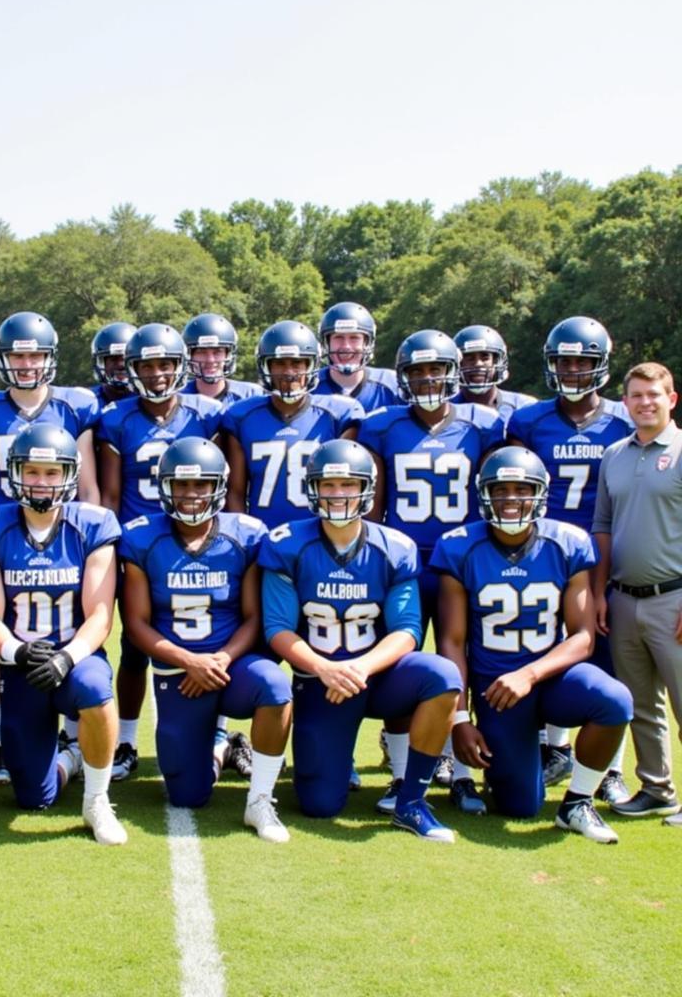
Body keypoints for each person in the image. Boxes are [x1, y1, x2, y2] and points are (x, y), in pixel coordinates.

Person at [259, 439, 462, 840]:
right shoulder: (287, 543)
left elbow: (407, 630)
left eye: (348, 484)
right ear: (312, 488)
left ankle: (412, 802)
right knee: (319, 804)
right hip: (320, 682)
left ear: (366, 488)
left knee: (441, 675)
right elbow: (277, 628)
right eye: (328, 485)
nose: (337, 495)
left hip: (376, 677)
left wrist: (359, 668)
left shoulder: (395, 547)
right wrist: (325, 668)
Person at [432, 446, 633, 842]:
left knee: (616, 701)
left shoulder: (567, 542)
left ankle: (578, 802)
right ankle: (507, 770)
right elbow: (451, 642)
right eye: (500, 490)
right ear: (484, 494)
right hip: (498, 690)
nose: (511, 500)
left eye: (521, 490)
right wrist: (459, 720)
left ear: (539, 493)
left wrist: (529, 673)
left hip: (551, 678)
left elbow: (582, 637)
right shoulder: (459, 547)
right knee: (519, 804)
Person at [358, 329, 503, 809]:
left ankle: (462, 771)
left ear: (452, 372)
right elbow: (374, 508)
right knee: (403, 666)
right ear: (402, 376)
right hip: (406, 563)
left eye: (435, 369)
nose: (427, 379)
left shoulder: (483, 424)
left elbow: (492, 500)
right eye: (417, 371)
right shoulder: (383, 426)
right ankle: (403, 775)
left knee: (469, 662)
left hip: (464, 563)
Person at [119, 438, 292, 841]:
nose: (192, 495)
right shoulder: (144, 538)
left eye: (201, 485)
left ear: (219, 486)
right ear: (165, 487)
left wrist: (219, 659)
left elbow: (253, 618)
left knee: (275, 685)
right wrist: (189, 661)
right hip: (177, 671)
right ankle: (222, 749)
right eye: (181, 486)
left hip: (232, 665)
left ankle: (261, 800)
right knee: (186, 796)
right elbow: (137, 624)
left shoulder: (244, 535)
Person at [0, 311, 101, 788]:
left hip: (61, 538)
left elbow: (88, 488)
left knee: (76, 633)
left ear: (49, 358)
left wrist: (89, 538)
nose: (26, 363)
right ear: (2, 359)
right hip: (0, 542)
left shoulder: (75, 407)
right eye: (18, 354)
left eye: (35, 354)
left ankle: (78, 741)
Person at [0, 422, 127, 845]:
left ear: (70, 475)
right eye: (32, 472)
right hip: (21, 666)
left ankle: (97, 799)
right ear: (14, 474)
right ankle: (71, 758)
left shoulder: (93, 525)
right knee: (33, 798)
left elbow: (99, 615)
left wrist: (67, 657)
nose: (41, 482)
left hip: (76, 658)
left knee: (96, 687)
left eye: (52, 472)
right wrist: (17, 652)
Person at [507, 316, 632, 795]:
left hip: (606, 554)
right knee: (538, 647)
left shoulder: (623, 419)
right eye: (565, 361)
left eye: (583, 361)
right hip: (542, 553)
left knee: (604, 659)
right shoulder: (529, 421)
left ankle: (611, 770)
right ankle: (556, 749)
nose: (573, 370)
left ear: (601, 364)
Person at [97, 322, 223, 781]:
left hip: (199, 542)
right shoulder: (117, 418)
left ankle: (220, 736)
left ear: (180, 366)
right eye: (146, 365)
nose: (156, 373)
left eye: (165, 364)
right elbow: (110, 496)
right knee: (134, 647)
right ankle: (127, 742)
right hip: (141, 545)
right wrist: (113, 549)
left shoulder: (208, 415)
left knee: (216, 637)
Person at [592, 362, 682, 822]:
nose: (645, 402)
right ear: (624, 403)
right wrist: (600, 591)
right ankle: (658, 788)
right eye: (637, 395)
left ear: (672, 399)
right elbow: (603, 526)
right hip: (624, 597)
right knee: (641, 703)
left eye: (654, 394)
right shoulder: (614, 454)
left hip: (675, 597)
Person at [223, 320, 363, 531]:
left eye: (297, 363)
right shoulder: (242, 416)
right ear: (266, 365)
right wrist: (244, 536)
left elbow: (351, 487)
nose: (289, 372)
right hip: (264, 536)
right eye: (279, 363)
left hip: (321, 536)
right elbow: (235, 492)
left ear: (311, 366)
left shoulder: (338, 414)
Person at [312, 301, 399, 411]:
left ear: (367, 343)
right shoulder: (310, 386)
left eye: (354, 338)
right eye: (338, 337)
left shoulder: (392, 385)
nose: (346, 346)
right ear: (327, 343)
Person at [451, 324, 535, 423]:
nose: (478, 364)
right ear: (459, 363)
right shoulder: (445, 410)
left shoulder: (523, 406)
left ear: (496, 361)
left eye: (485, 357)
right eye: (470, 358)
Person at [181, 312, 262, 407]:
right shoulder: (178, 398)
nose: (210, 360)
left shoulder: (251, 395)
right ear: (190, 355)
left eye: (217, 351)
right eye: (201, 352)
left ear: (228, 354)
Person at [90, 322, 135, 407]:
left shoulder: (149, 403)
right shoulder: (87, 401)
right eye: (114, 359)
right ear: (101, 363)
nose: (121, 365)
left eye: (126, 359)